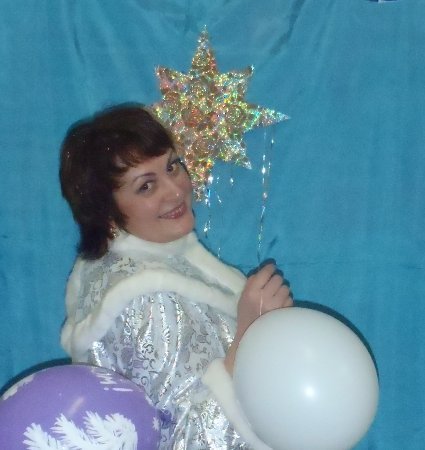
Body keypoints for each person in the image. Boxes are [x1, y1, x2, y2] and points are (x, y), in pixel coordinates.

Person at [60, 104, 293, 449]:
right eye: (146, 186)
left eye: (172, 166)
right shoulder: (145, 295)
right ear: (106, 211)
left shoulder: (149, 265)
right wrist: (251, 332)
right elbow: (186, 438)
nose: (175, 190)